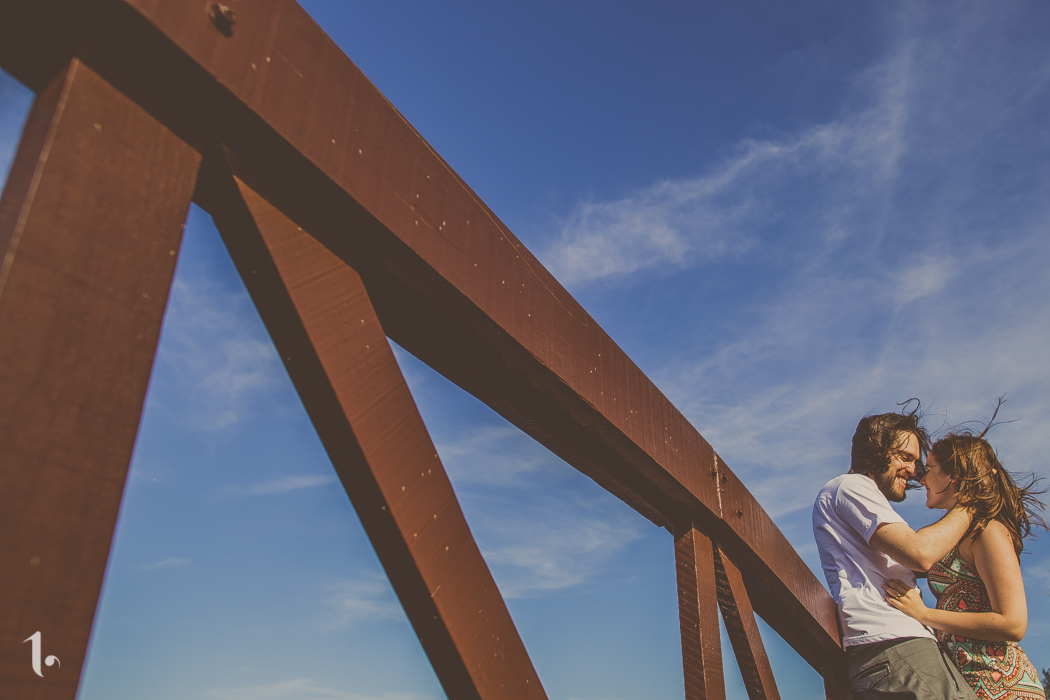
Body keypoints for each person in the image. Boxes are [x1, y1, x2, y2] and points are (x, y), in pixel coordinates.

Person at [813, 410, 977, 700]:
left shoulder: (862, 498)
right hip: (895, 643)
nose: (913, 470)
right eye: (905, 457)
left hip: (901, 647)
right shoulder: (851, 487)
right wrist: (972, 502)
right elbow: (920, 554)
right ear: (876, 450)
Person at [883, 431, 1046, 700]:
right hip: (971, 685)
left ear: (954, 475)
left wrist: (924, 614)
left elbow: (1013, 623)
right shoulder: (957, 537)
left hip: (1003, 688)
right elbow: (910, 554)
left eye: (929, 469)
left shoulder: (988, 531)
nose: (922, 479)